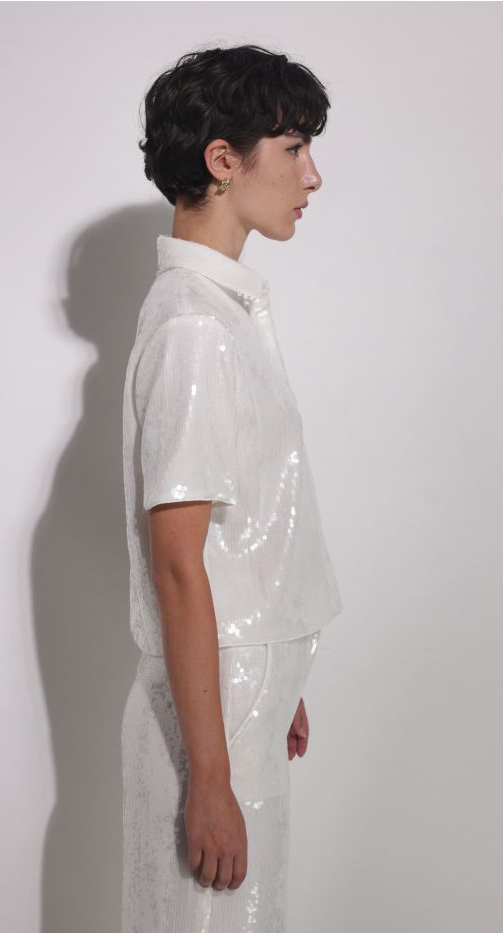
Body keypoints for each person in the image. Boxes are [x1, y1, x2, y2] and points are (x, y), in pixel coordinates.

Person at [120, 44, 343, 933]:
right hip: (217, 715)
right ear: (223, 159)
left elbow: (240, 523)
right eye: (293, 148)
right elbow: (177, 562)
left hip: (241, 694)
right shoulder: (194, 328)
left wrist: (280, 671)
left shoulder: (221, 315)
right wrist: (210, 778)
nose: (312, 175)